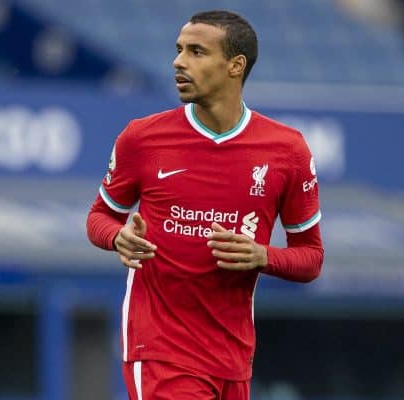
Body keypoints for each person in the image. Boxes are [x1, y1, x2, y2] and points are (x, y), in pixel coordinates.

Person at [86, 9, 324, 400]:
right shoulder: (142, 138)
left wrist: (262, 255)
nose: (178, 62)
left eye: (197, 52)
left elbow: (310, 257)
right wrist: (117, 237)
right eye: (179, 50)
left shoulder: (287, 150)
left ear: (235, 65)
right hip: (161, 349)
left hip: (233, 356)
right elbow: (99, 217)